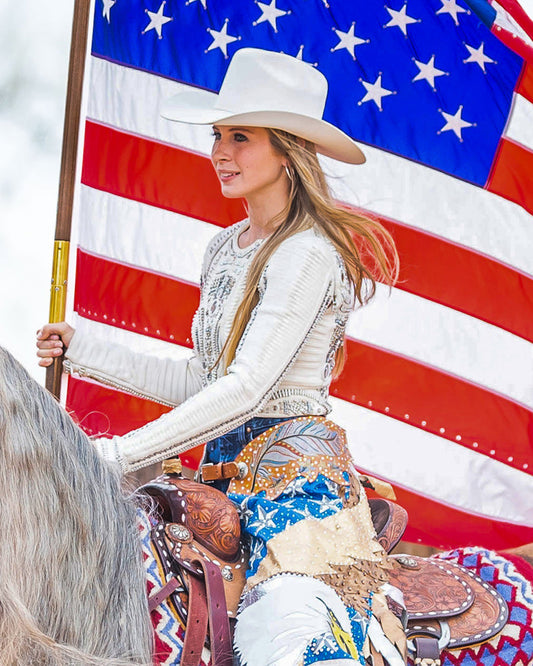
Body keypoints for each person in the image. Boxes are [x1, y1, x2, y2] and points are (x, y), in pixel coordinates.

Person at [37, 48, 405, 665]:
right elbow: (204, 380)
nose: (220, 152)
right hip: (222, 485)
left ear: (287, 150)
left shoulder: (308, 252)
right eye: (217, 135)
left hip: (298, 493)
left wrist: (117, 455)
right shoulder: (225, 248)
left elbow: (248, 388)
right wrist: (85, 351)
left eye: (241, 137)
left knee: (281, 639)